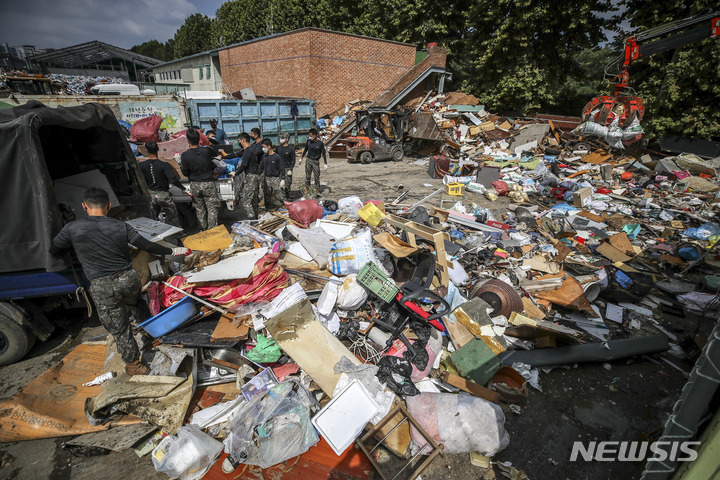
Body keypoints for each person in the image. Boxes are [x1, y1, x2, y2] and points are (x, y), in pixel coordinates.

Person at [50, 188, 189, 375]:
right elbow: (146, 245)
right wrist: (174, 251)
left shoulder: (72, 228)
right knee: (137, 303)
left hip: (102, 286)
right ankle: (152, 334)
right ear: (108, 206)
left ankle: (135, 365)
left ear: (84, 206)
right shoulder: (120, 226)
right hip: (128, 279)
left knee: (119, 326)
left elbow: (54, 249)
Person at [180, 129, 221, 230]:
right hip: (208, 183)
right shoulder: (206, 151)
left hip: (195, 184)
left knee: (199, 209)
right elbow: (215, 159)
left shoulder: (185, 155)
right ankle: (213, 231)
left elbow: (185, 172)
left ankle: (203, 230)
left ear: (188, 141)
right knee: (212, 208)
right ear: (199, 139)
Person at [139, 141, 186, 227]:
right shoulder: (164, 165)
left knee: (152, 219)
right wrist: (182, 188)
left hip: (151, 195)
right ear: (158, 149)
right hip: (163, 195)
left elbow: (140, 180)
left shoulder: (142, 165)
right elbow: (172, 179)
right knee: (173, 218)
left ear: (146, 151)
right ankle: (177, 237)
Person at [236, 132, 262, 219]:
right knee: (254, 200)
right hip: (255, 177)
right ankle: (256, 219)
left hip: (251, 177)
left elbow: (244, 165)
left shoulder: (247, 151)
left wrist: (235, 173)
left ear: (243, 141)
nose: (238, 142)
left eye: (239, 141)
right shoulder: (249, 150)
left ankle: (252, 220)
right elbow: (236, 155)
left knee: (246, 201)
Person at [260, 138, 286, 209]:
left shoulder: (277, 157)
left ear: (269, 146)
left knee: (280, 195)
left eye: (264, 147)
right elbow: (261, 168)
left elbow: (282, 168)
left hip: (275, 179)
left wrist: (283, 179)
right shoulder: (264, 157)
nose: (263, 149)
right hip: (267, 179)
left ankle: (285, 207)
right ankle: (268, 210)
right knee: (267, 196)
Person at [276, 132, 296, 198]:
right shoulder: (278, 148)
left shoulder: (291, 149)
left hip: (287, 168)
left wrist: (290, 169)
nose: (281, 139)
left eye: (283, 138)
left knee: (287, 185)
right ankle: (282, 199)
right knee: (280, 185)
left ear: (287, 139)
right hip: (280, 169)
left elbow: (293, 160)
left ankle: (288, 197)